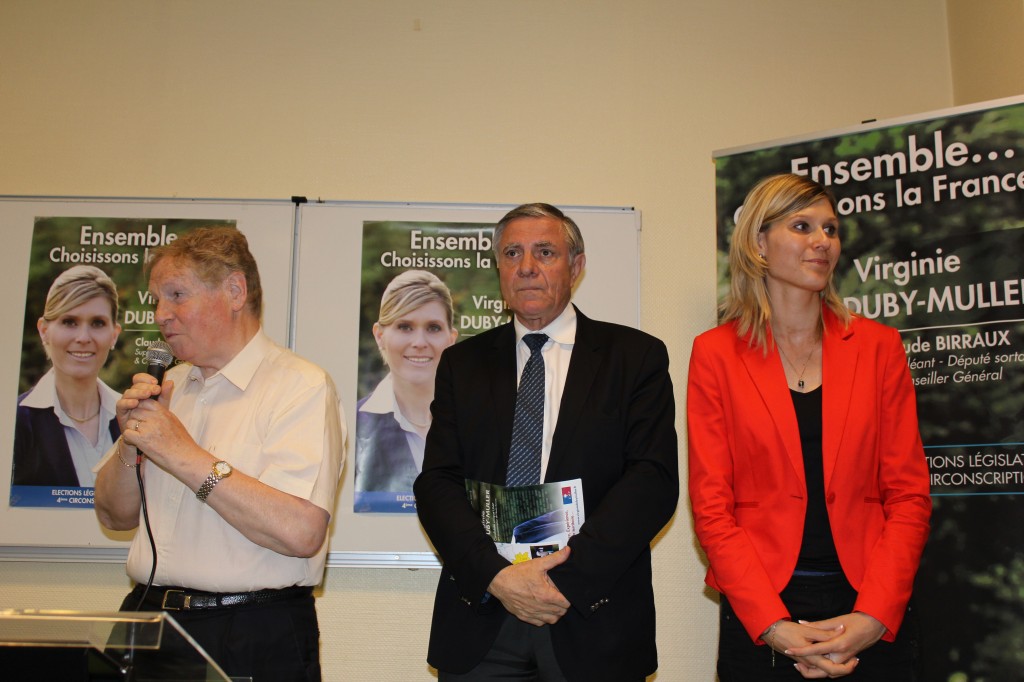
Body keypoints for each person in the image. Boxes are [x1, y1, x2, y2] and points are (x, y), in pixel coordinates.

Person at [414, 203, 678, 681]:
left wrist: (562, 581)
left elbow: (652, 482)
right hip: (483, 617)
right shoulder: (462, 364)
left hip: (592, 616)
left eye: (545, 252)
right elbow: (437, 483)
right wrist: (498, 576)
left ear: (576, 266)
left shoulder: (634, 357)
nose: (527, 266)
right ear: (499, 268)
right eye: (512, 253)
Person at [687, 174, 931, 680]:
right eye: (802, 226)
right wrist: (772, 624)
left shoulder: (879, 347)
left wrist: (874, 615)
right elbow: (712, 507)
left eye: (831, 229)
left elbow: (908, 496)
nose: (823, 241)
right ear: (758, 243)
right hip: (761, 608)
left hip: (870, 603)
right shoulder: (715, 354)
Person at [94, 227, 346, 681]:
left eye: (176, 295)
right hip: (145, 617)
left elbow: (301, 532)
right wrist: (131, 443)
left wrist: (181, 453)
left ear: (234, 291)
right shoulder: (168, 386)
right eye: (156, 300)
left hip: (249, 629)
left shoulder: (300, 386)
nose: (161, 314)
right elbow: (114, 516)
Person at [13, 265, 122, 488]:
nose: (83, 337)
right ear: (44, 331)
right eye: (69, 322)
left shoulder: (133, 421)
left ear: (114, 335)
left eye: (97, 323)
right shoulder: (15, 421)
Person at [355, 269, 458, 497]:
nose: (419, 342)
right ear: (379, 336)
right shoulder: (352, 427)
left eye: (433, 328)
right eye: (405, 327)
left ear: (451, 339)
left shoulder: (481, 424)